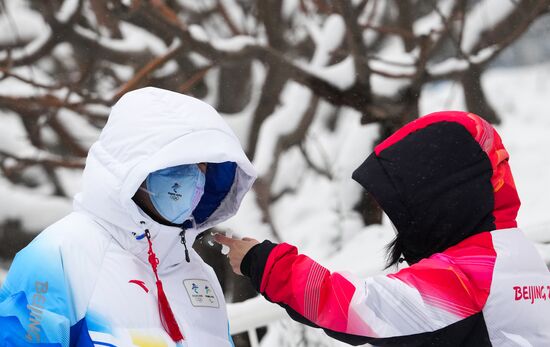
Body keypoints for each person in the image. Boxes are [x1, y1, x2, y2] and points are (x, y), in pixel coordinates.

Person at [216, 111, 550, 346]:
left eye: (406, 207)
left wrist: (263, 262)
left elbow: (352, 307)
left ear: (443, 194)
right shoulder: (518, 255)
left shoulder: (471, 274)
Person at [0, 87, 257, 346]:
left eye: (202, 167)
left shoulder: (199, 275)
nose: (193, 178)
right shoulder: (59, 256)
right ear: (131, 166)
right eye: (179, 165)